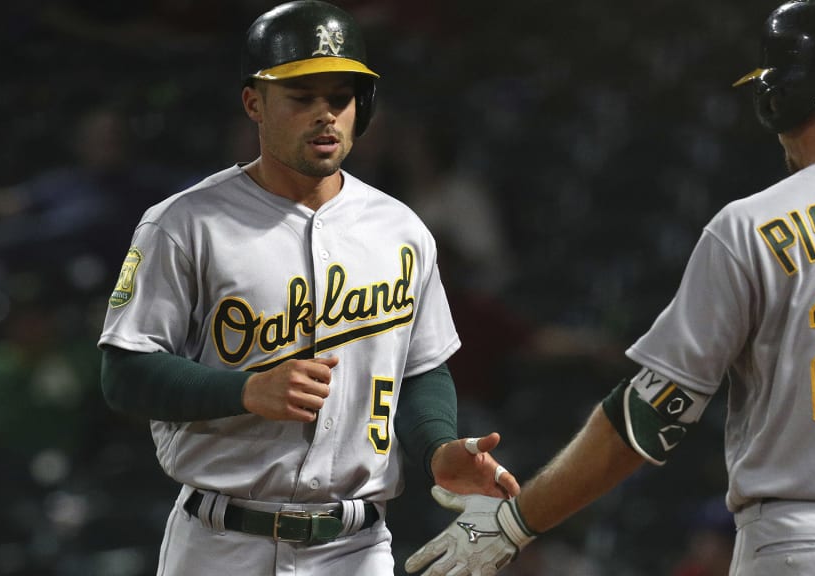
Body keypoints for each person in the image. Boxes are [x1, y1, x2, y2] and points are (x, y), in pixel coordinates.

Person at [403, 0, 815, 574]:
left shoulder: (752, 224)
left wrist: (515, 522)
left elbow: (649, 418)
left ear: (778, 97)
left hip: (800, 544)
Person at [96, 2, 519, 575]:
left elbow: (421, 369)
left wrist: (437, 448)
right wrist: (244, 391)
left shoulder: (401, 230)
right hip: (221, 541)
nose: (326, 116)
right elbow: (124, 372)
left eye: (340, 99)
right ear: (254, 103)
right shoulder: (185, 223)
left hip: (355, 546)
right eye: (302, 98)